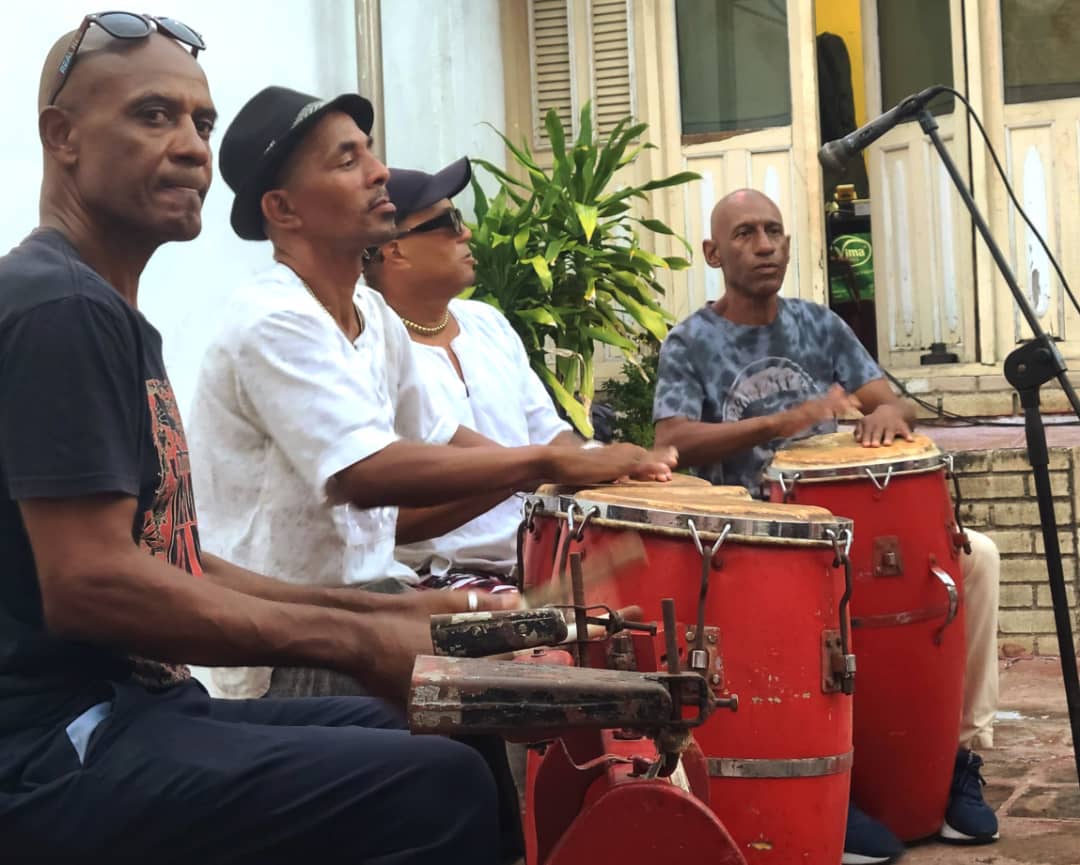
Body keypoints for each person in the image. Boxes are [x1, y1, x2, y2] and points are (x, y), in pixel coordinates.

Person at [0, 18, 523, 864]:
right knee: (437, 783)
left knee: (429, 730)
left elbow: (175, 560)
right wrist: (356, 637)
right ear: (62, 138)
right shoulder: (59, 307)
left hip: (140, 707)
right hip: (57, 745)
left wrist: (396, 611)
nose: (190, 148)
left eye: (201, 124)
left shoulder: (112, 315)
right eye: (152, 116)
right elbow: (92, 583)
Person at [653, 188, 1001, 864]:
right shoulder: (690, 341)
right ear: (712, 252)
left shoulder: (820, 326)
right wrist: (773, 423)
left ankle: (953, 756)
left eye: (774, 231)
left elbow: (888, 398)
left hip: (854, 523)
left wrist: (889, 416)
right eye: (746, 233)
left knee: (977, 559)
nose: (764, 244)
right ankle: (830, 793)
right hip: (755, 539)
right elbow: (671, 439)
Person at [363, 156, 583, 587]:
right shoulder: (367, 346)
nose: (466, 232)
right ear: (395, 248)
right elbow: (386, 522)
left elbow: (548, 432)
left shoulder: (488, 322)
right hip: (434, 579)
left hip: (537, 561)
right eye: (448, 221)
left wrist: (604, 463)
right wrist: (534, 468)